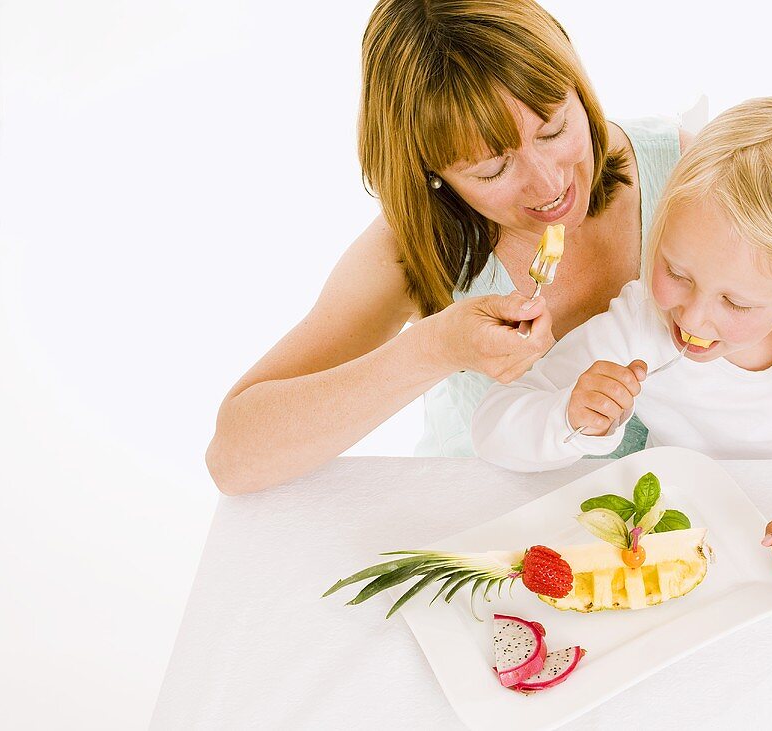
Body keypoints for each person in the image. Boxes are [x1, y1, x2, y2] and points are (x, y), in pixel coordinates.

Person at [205, 0, 690, 494]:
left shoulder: (692, 173)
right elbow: (234, 460)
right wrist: (436, 348)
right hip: (484, 531)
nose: (548, 184)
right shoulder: (418, 245)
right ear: (432, 172)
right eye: (491, 170)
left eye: (555, 130)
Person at [471, 97, 772, 599]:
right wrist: (569, 418)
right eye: (676, 271)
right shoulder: (644, 322)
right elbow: (493, 425)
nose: (691, 319)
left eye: (736, 302)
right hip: (685, 553)